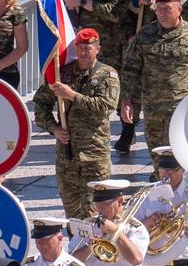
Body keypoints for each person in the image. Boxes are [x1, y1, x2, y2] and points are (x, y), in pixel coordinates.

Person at [32, 28, 121, 220]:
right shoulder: (62, 74)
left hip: (94, 154)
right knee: (72, 212)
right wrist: (53, 128)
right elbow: (40, 103)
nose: (82, 52)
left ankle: (94, 248)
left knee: (95, 213)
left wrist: (72, 95)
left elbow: (106, 107)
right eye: (79, 48)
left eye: (88, 48)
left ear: (98, 49)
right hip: (67, 156)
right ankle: (75, 248)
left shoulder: (107, 75)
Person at [119, 0, 188, 154]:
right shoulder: (144, 35)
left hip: (181, 106)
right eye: (160, 9)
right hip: (152, 108)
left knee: (179, 154)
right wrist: (126, 101)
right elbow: (130, 70)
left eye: (168, 9)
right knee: (156, 154)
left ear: (179, 10)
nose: (163, 14)